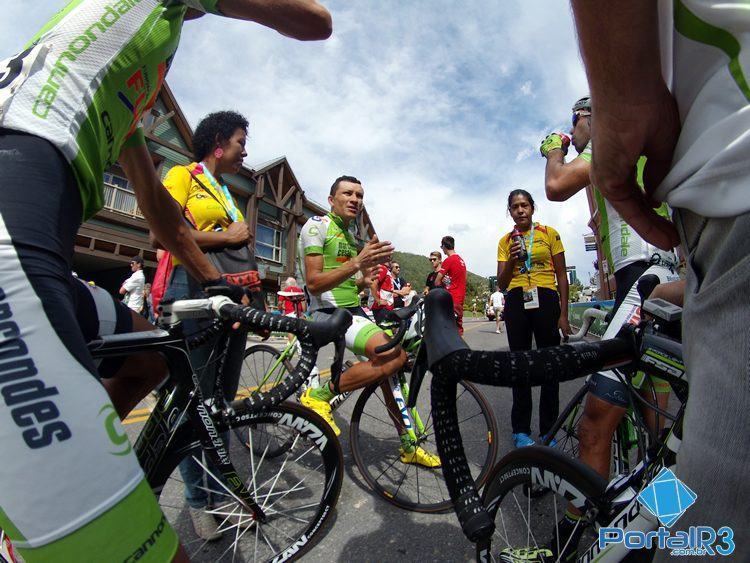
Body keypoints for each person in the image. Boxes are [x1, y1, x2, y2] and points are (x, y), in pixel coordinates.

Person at [0, 1, 332, 560]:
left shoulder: (121, 88)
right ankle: (76, 503)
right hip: (12, 239)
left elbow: (158, 213)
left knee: (150, 361)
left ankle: (99, 481)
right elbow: (315, 20)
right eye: (241, 140)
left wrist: (222, 286)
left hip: (42, 251)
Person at [570, 1, 750, 552]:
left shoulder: (601, 142)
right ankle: (626, 522)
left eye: (576, 121)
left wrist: (613, 96)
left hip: (682, 260)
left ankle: (597, 531)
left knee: (602, 418)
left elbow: (555, 182)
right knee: (678, 438)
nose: (572, 132)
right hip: (689, 273)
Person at [156, 110, 262, 540]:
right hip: (191, 287)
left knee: (221, 403)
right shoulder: (183, 175)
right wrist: (228, 236)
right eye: (240, 142)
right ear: (218, 142)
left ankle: (220, 490)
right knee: (194, 402)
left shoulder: (226, 191)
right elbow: (159, 232)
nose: (245, 150)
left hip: (229, 295)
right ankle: (199, 503)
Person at [297, 175, 440, 467]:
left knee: (390, 368)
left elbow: (346, 283)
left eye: (359, 195)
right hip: (327, 312)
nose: (355, 199)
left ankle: (408, 444)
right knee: (392, 355)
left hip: (353, 311)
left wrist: (364, 280)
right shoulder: (316, 227)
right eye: (347, 193)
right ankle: (319, 396)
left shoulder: (349, 236)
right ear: (331, 200)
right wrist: (357, 264)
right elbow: (313, 283)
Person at [497, 189, 571, 449]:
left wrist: (564, 314)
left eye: (524, 205)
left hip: (546, 297)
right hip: (517, 300)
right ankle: (520, 431)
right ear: (510, 211)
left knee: (550, 365)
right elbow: (502, 284)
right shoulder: (506, 241)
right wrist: (511, 261)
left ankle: (549, 431)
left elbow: (562, 274)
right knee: (520, 365)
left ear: (532, 207)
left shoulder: (549, 233)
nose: (520, 210)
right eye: (515, 206)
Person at [434, 236, 467, 335]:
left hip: (451, 299)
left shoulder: (449, 260)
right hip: (459, 299)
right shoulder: (461, 260)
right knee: (458, 329)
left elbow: (437, 281)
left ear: (444, 246)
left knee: (448, 331)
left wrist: (443, 282)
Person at [370, 259, 395, 324]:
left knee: (387, 329)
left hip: (386, 307)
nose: (389, 259)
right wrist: (378, 300)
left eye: (390, 257)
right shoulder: (382, 268)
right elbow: (373, 283)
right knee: (384, 330)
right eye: (387, 256)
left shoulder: (386, 270)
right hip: (381, 307)